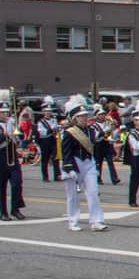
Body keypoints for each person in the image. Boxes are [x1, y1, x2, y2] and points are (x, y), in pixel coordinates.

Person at [58, 97, 107, 232]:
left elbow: (93, 148)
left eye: (85, 115)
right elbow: (66, 152)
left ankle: (97, 221)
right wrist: (69, 168)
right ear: (75, 118)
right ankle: (73, 221)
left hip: (88, 163)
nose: (85, 118)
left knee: (93, 192)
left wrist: (95, 165)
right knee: (72, 195)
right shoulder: (69, 133)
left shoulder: (91, 131)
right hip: (74, 163)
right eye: (81, 116)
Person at [0, 91, 27, 221]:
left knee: (17, 183)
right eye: (2, 112)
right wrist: (7, 133)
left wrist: (18, 135)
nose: (5, 114)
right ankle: (3, 212)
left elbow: (19, 140)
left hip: (12, 155)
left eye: (6, 112)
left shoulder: (12, 123)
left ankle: (15, 208)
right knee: (1, 187)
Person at [35, 105, 61, 181]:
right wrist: (52, 129)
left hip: (53, 140)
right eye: (46, 111)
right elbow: (42, 132)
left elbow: (56, 129)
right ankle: (45, 177)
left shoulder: (54, 120)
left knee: (56, 159)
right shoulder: (40, 122)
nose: (48, 113)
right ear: (43, 112)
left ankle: (57, 176)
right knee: (45, 160)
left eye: (49, 111)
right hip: (45, 142)